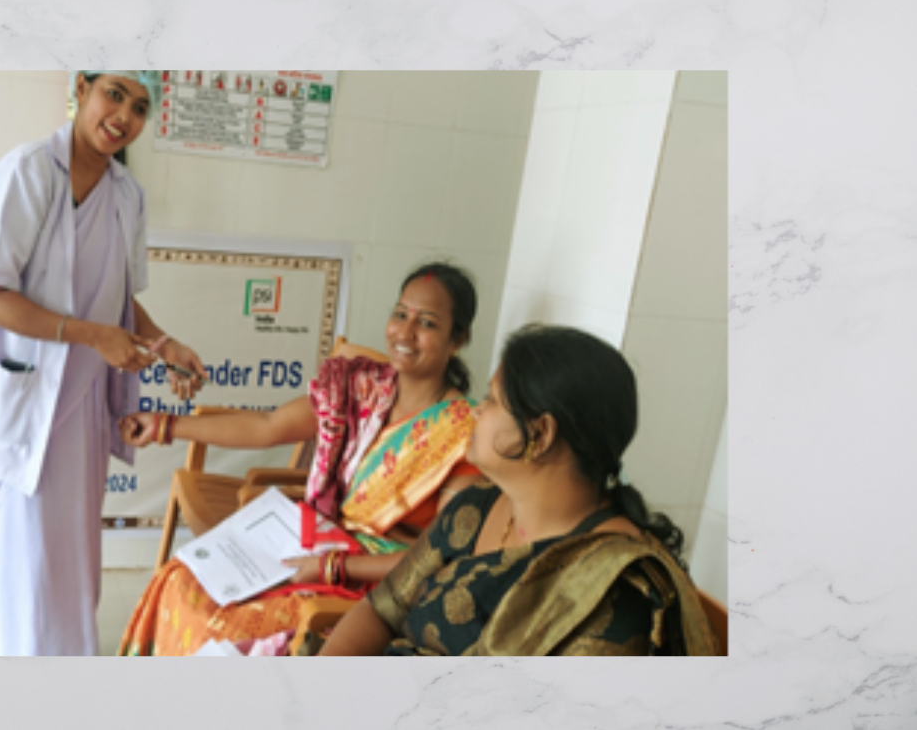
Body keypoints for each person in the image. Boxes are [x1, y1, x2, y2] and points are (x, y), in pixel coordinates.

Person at [0, 70, 207, 657]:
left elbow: (119, 300)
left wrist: (165, 344)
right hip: (26, 408)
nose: (124, 117)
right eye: (114, 94)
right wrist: (93, 337)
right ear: (82, 87)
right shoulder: (28, 172)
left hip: (83, 406)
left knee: (74, 561)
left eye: (139, 107)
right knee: (27, 565)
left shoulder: (127, 196)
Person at [116, 263, 487, 656]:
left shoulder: (462, 437)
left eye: (427, 323)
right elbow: (267, 425)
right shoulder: (361, 388)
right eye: (400, 314)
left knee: (220, 626)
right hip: (314, 543)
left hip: (375, 588)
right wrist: (165, 426)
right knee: (182, 580)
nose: (405, 332)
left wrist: (334, 567)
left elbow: (438, 558)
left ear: (458, 339)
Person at [317, 324, 720, 656]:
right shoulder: (475, 508)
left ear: (540, 434)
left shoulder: (609, 592)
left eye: (493, 400)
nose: (477, 410)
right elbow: (382, 610)